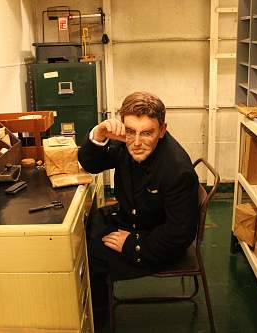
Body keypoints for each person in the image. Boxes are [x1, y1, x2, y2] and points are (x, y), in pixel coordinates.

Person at [78, 91, 200, 322]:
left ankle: (99, 322)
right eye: (130, 131)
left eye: (147, 133)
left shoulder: (176, 170)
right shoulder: (126, 143)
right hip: (133, 219)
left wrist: (133, 244)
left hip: (156, 240)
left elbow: (179, 234)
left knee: (90, 256)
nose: (136, 142)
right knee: (82, 231)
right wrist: (99, 134)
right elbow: (91, 164)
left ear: (162, 130)